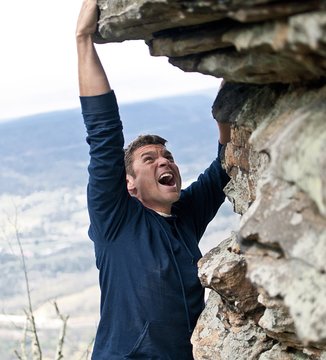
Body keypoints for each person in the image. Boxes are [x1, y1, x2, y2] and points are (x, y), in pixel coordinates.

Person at [76, 1, 231, 359]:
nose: (164, 161)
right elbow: (103, 135)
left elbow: (226, 161)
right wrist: (84, 40)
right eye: (150, 159)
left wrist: (231, 69)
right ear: (129, 183)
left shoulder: (186, 214)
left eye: (168, 156)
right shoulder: (116, 220)